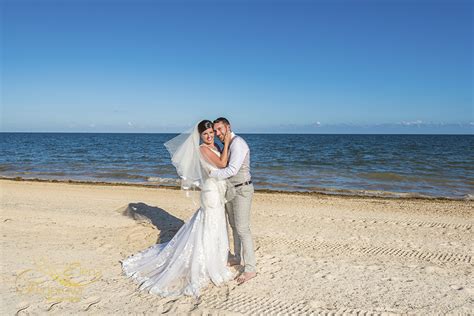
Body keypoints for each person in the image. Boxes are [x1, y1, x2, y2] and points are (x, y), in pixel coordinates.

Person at [120, 120, 233, 297]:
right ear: (200, 136)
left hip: (218, 191)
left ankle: (216, 257)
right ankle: (206, 263)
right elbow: (222, 164)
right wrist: (227, 142)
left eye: (211, 132)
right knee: (209, 224)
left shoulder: (215, 146)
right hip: (211, 192)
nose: (210, 136)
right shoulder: (204, 149)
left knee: (215, 224)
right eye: (206, 134)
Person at [210, 117, 256, 285]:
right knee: (234, 226)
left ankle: (250, 268)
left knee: (243, 228)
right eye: (215, 131)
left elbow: (232, 169)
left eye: (220, 129)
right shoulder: (226, 145)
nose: (217, 134)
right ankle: (237, 257)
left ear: (228, 128)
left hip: (242, 189)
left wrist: (210, 174)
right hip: (230, 190)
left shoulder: (238, 143)